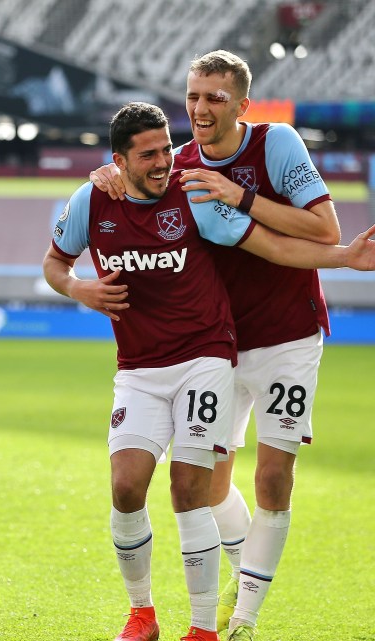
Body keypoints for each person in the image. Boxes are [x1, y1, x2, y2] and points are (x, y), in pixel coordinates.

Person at [43, 102, 374, 641]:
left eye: (165, 150)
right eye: (147, 154)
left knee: (187, 486)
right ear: (118, 160)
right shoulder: (91, 199)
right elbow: (55, 263)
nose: (161, 163)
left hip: (206, 357)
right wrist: (79, 288)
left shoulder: (195, 196)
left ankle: (202, 630)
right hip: (138, 367)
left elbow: (271, 246)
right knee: (126, 487)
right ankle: (142, 614)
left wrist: (342, 258)